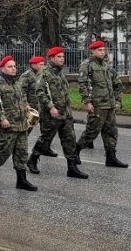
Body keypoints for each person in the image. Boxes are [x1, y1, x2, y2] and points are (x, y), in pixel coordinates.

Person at [28, 48, 88, 178]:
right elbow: (40, 92)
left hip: (65, 113)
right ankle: (32, 159)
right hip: (51, 114)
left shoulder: (60, 73)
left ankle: (72, 168)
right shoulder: (44, 73)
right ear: (51, 58)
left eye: (62, 56)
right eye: (59, 56)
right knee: (45, 139)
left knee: (69, 139)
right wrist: (50, 107)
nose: (62, 58)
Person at [0, 56, 37, 192]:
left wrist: (27, 107)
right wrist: (2, 118)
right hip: (8, 125)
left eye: (14, 66)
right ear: (2, 69)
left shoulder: (18, 83)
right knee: (4, 152)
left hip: (21, 124)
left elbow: (22, 98)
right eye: (10, 66)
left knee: (22, 152)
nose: (14, 68)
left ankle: (21, 180)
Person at [76, 40, 128, 168]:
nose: (103, 52)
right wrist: (87, 102)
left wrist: (117, 101)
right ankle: (74, 152)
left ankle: (111, 158)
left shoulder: (106, 65)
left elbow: (117, 84)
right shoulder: (87, 65)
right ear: (92, 51)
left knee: (111, 132)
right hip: (97, 104)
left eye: (104, 50)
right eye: (100, 50)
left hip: (109, 105)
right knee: (92, 131)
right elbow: (83, 84)